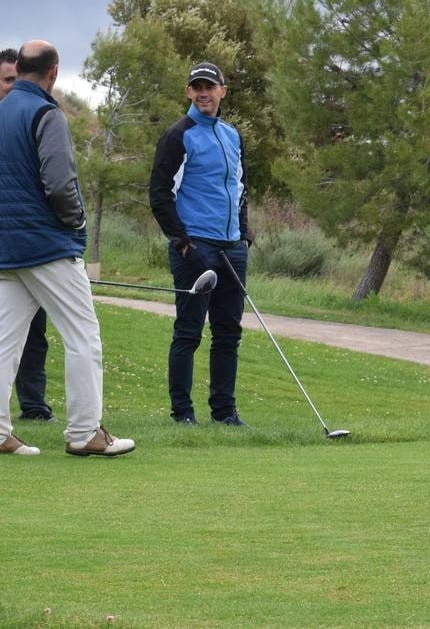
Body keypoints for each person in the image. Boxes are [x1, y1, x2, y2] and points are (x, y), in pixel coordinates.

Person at [0, 41, 135, 457]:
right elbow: (59, 183)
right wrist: (76, 221)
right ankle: (84, 433)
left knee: (4, 342)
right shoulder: (47, 113)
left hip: (6, 248)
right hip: (47, 245)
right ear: (54, 72)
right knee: (83, 338)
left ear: (19, 68)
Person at [149, 62, 252, 427]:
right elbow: (160, 195)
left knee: (228, 333)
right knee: (189, 332)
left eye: (210, 86)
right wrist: (183, 244)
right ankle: (183, 415)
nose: (203, 93)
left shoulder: (232, 135)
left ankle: (225, 413)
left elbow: (239, 190)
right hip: (195, 247)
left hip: (231, 248)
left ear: (224, 90)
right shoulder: (179, 135)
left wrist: (244, 237)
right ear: (188, 92)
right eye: (197, 87)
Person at [1, 49, 56, 423]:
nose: (11, 86)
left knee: (32, 333)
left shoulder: (34, 118)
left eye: (13, 79)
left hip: (26, 244)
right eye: (6, 80)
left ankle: (33, 407)